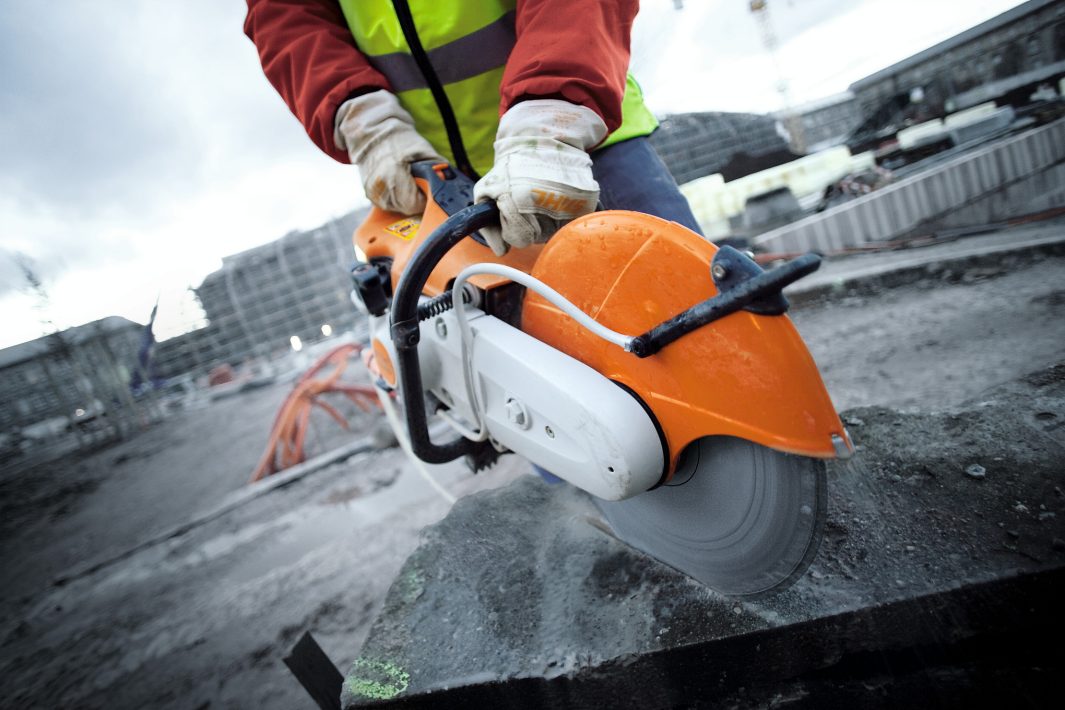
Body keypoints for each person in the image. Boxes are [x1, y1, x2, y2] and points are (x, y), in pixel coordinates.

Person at [244, 0, 702, 256]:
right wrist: (364, 120)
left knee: (696, 319)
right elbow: (285, 15)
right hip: (434, 186)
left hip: (578, 147)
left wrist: (551, 112)